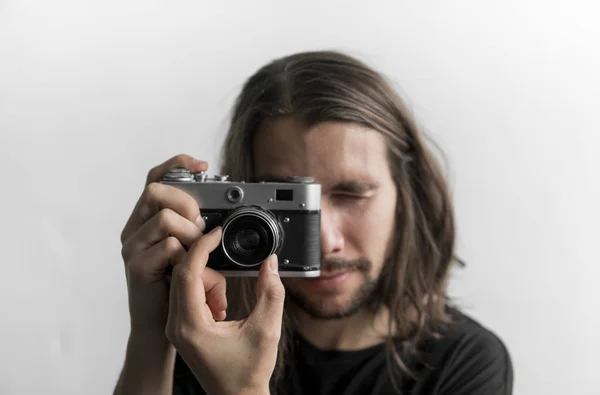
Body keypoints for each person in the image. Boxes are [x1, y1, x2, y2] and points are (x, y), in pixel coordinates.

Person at [113, 50, 513, 395]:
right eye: (285, 203)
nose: (326, 240)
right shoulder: (206, 329)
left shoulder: (465, 361)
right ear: (239, 199)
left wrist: (240, 389)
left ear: (407, 194)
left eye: (352, 193)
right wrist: (151, 331)